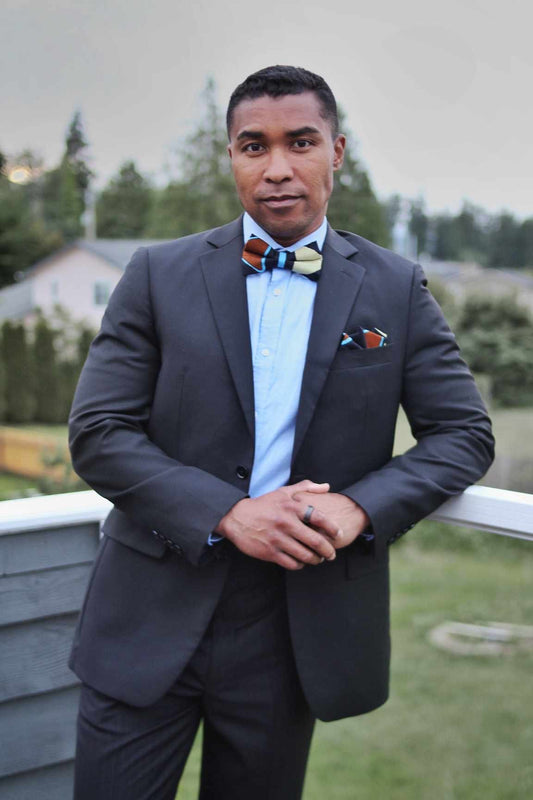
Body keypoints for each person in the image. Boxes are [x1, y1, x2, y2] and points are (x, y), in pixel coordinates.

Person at [69, 65, 494, 800]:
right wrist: (227, 513)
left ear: (336, 151)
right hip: (148, 611)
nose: (276, 169)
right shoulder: (156, 274)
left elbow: (463, 433)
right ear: (231, 157)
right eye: (252, 146)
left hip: (295, 625)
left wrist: (360, 506)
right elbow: (98, 431)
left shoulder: (394, 287)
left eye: (300, 142)